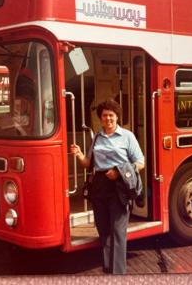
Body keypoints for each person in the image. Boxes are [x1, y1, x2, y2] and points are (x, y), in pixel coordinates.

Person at [70, 99, 144, 274]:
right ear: (100, 118)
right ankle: (108, 269)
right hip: (99, 185)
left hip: (120, 186)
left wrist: (119, 172)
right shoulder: (97, 136)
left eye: (111, 115)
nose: (108, 119)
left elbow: (140, 162)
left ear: (117, 117)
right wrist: (80, 155)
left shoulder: (127, 136)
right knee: (103, 229)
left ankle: (118, 274)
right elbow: (88, 164)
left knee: (118, 231)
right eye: (104, 115)